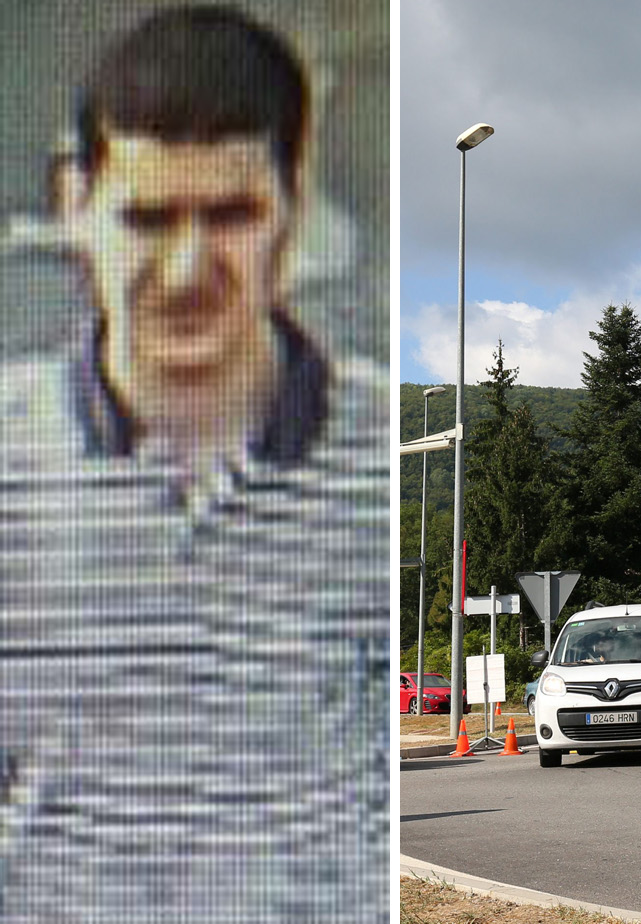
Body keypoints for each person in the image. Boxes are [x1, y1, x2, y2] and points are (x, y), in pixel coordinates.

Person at [0, 7, 388, 921]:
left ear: (293, 200)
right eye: (147, 216)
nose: (185, 269)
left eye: (230, 215)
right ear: (73, 200)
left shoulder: (382, 466)